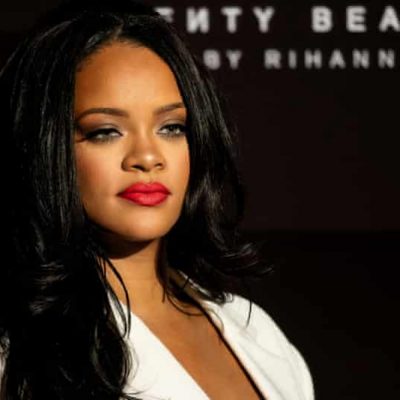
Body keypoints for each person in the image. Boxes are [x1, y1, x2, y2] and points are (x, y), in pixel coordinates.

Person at [0, 0, 314, 399]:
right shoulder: (18, 352)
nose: (148, 157)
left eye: (171, 127)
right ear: (44, 149)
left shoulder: (255, 331)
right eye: (105, 131)